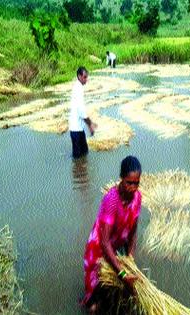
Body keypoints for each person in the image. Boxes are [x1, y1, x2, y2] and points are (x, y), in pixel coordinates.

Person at [82, 156, 142, 314]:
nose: (133, 188)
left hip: (116, 246)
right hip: (99, 250)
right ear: (121, 178)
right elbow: (104, 242)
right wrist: (122, 273)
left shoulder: (137, 198)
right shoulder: (112, 200)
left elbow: (134, 231)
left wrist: (130, 258)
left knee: (116, 292)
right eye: (129, 182)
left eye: (136, 183)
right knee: (94, 302)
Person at [69, 67, 96, 159]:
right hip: (76, 129)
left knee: (84, 153)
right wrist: (90, 124)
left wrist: (89, 124)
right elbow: (81, 112)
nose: (86, 80)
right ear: (79, 76)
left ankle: (82, 171)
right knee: (77, 157)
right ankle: (78, 172)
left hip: (79, 128)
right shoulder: (78, 89)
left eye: (86, 77)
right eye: (84, 77)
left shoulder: (78, 87)